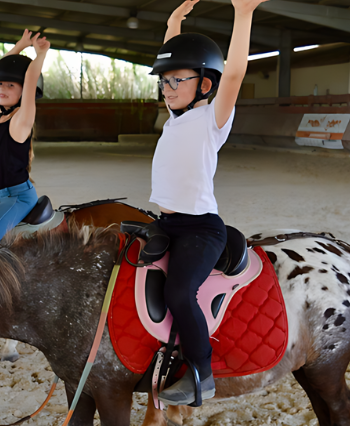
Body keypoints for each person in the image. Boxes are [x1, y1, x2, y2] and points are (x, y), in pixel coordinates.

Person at [138, 0, 270, 406]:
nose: (167, 88)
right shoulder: (175, 118)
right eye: (164, 82)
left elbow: (235, 72)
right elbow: (173, 61)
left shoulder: (212, 119)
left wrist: (243, 14)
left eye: (177, 81)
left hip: (200, 228)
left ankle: (201, 373)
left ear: (206, 86)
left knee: (180, 293)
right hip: (166, 222)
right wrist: (174, 23)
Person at [0, 29, 48, 248]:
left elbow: (30, 78)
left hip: (18, 198)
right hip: (0, 195)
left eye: (10, 85)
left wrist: (40, 55)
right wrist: (20, 46)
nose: (1, 88)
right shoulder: (3, 115)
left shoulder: (20, 120)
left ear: (24, 92)